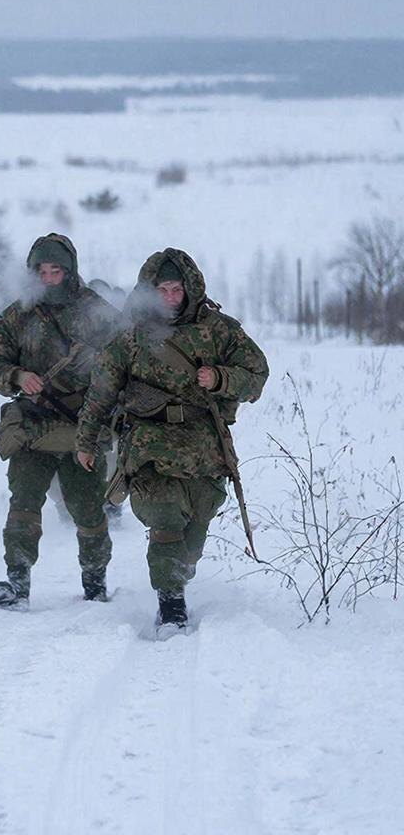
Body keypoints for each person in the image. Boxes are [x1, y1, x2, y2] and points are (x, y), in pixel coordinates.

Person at [74, 248, 268, 633]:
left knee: (193, 534)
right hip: (149, 444)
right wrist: (86, 440)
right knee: (164, 520)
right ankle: (171, 604)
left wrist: (220, 379)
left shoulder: (218, 329)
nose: (169, 297)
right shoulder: (130, 337)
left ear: (190, 288)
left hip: (203, 446)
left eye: (176, 289)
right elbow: (101, 393)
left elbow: (257, 372)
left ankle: (179, 573)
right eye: (160, 289)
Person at [0, 234, 119, 609]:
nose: (48, 278)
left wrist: (99, 379)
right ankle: (17, 581)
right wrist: (16, 376)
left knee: (89, 511)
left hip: (82, 428)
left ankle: (95, 582)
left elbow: (125, 359)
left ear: (70, 270)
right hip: (33, 426)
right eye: (41, 271)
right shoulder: (19, 313)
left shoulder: (95, 310)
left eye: (55, 270)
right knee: (24, 502)